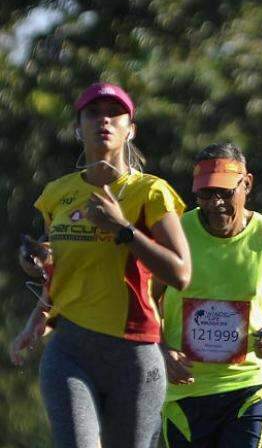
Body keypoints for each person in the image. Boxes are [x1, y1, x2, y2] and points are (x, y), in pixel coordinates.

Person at [9, 82, 192, 448]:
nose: (103, 120)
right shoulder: (57, 194)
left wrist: (123, 229)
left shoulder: (152, 192)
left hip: (134, 355)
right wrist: (38, 285)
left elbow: (181, 273)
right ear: (78, 127)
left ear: (130, 129)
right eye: (93, 113)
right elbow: (61, 267)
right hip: (70, 350)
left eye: (114, 113)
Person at [160, 142, 262, 448]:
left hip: (250, 386)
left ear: (247, 184)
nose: (215, 203)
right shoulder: (176, 234)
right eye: (205, 194)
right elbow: (143, 298)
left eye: (225, 192)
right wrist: (161, 350)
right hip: (186, 391)